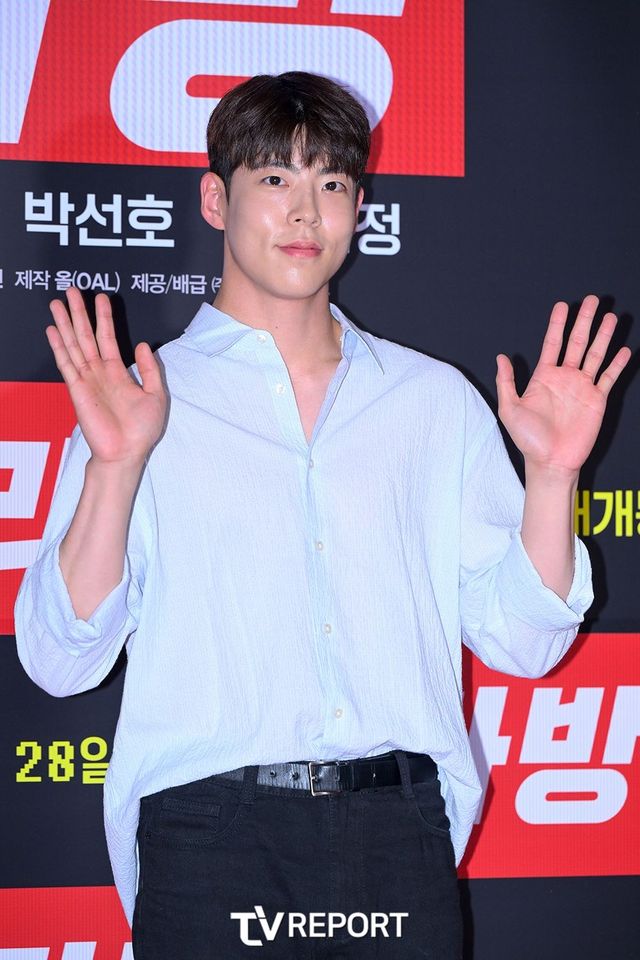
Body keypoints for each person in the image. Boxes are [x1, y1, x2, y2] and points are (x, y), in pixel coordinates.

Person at [14, 71, 630, 959]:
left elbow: (525, 642)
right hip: (209, 834)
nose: (306, 211)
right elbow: (60, 659)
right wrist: (115, 467)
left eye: (332, 182)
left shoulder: (432, 401)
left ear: (358, 208)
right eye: (275, 178)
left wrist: (552, 478)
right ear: (216, 200)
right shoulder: (143, 402)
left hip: (398, 832)